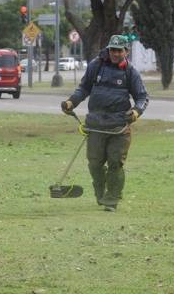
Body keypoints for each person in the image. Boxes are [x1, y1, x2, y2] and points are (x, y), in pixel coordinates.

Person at [60, 34, 149, 211]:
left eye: (119, 50)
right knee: (94, 163)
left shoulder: (130, 72)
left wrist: (136, 112)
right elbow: (84, 88)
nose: (115, 54)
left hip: (119, 127)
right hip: (95, 125)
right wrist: (71, 102)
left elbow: (142, 97)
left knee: (115, 163)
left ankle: (112, 199)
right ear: (108, 50)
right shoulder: (96, 65)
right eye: (112, 50)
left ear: (126, 51)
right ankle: (101, 193)